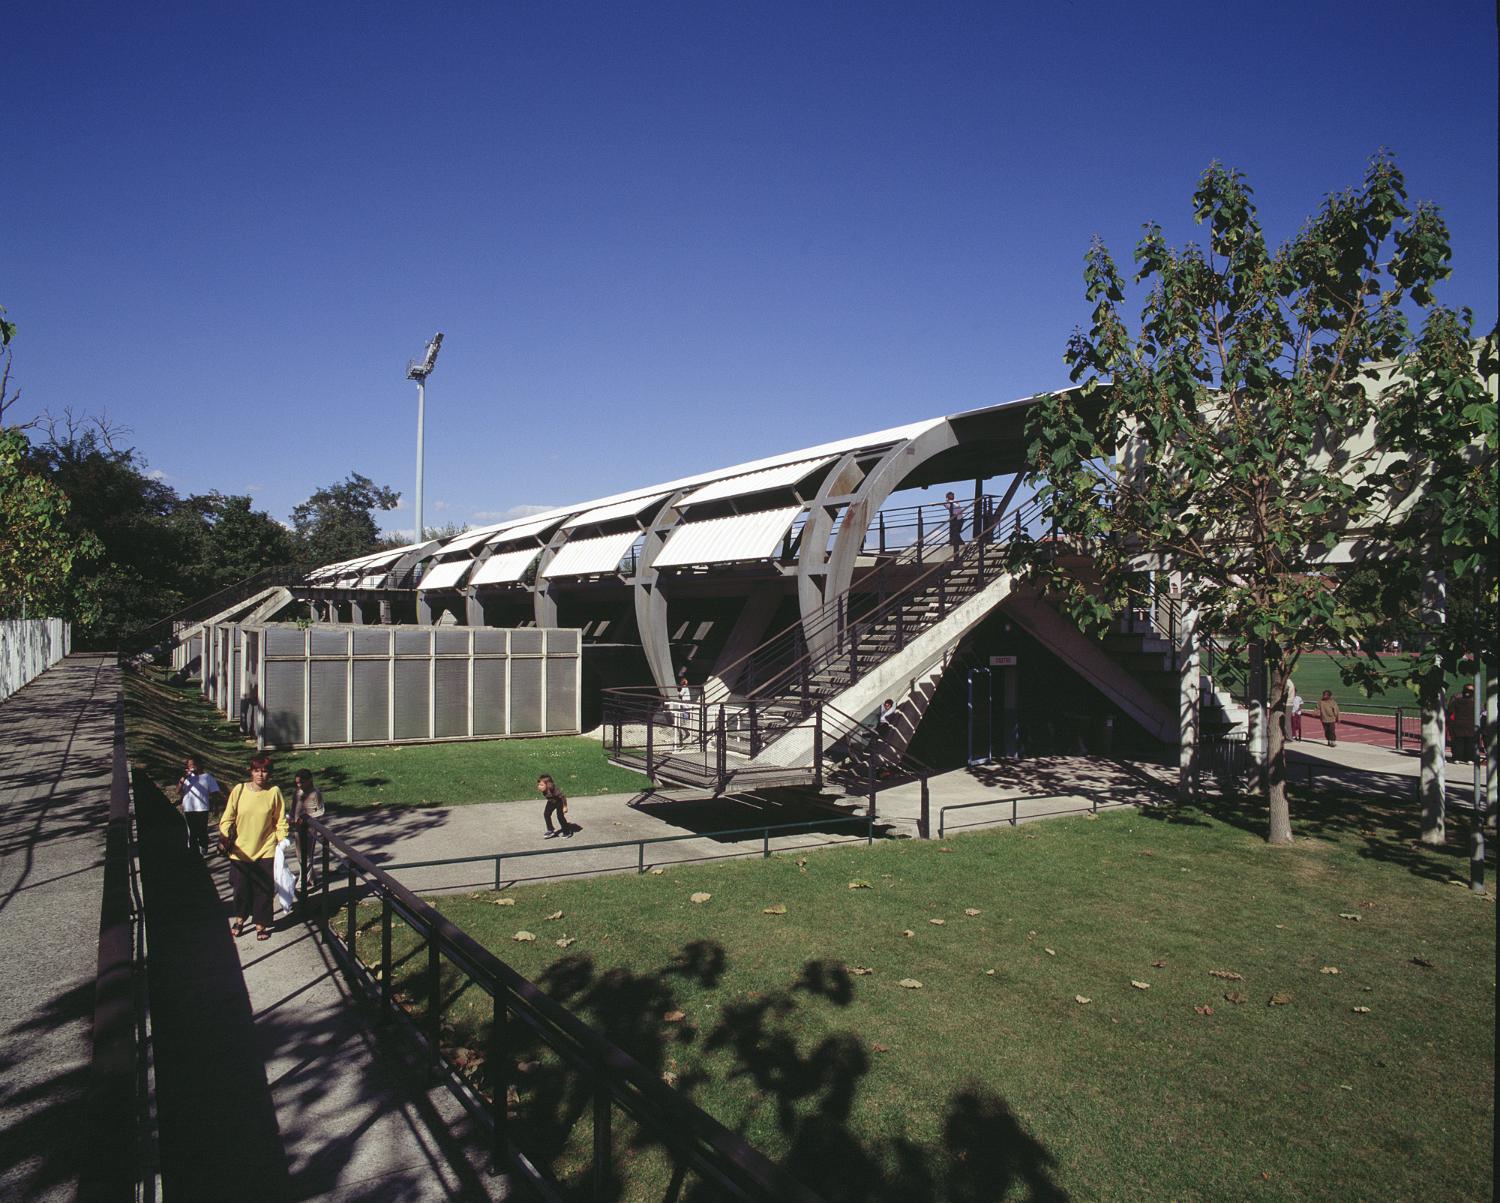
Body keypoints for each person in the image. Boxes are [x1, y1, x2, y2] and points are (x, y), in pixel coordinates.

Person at [219, 754, 289, 941]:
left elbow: (280, 820)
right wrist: (225, 836)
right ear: (251, 771)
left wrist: (282, 840)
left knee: (264, 890)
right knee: (241, 888)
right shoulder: (239, 790)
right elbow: (227, 818)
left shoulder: (274, 792)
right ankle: (240, 919)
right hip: (240, 850)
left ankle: (261, 924)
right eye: (257, 770)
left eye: (265, 771)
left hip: (266, 848)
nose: (260, 775)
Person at [177, 755, 223, 856]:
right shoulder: (186, 778)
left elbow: (215, 792)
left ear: (199, 765)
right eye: (189, 765)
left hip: (202, 808)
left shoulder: (207, 777)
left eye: (193, 765)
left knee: (201, 830)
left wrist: (215, 806)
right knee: (192, 832)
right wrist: (183, 778)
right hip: (189, 809)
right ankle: (193, 852)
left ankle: (203, 846)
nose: (191, 767)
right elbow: (178, 791)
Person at [291, 769, 326, 885]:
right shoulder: (297, 792)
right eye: (297, 783)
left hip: (309, 829)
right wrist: (291, 818)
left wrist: (308, 818)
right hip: (297, 827)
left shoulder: (315, 793)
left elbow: (320, 811)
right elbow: (293, 808)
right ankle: (311, 877)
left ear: (309, 780)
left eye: (301, 782)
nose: (299, 785)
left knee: (307, 854)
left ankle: (303, 880)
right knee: (299, 854)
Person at [538, 774, 577, 838]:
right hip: (551, 801)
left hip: (559, 801)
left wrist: (565, 806)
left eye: (541, 785)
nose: (539, 786)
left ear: (548, 785)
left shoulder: (554, 790)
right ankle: (551, 830)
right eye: (539, 784)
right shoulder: (545, 789)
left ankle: (567, 831)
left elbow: (563, 796)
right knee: (546, 814)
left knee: (560, 817)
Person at [1448, 683, 1477, 763]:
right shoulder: (1474, 699)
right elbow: (1479, 710)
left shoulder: (1456, 697)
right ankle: (1469, 758)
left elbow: (1450, 709)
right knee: (1469, 742)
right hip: (1470, 724)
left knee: (1458, 741)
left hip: (1458, 723)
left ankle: (1457, 758)